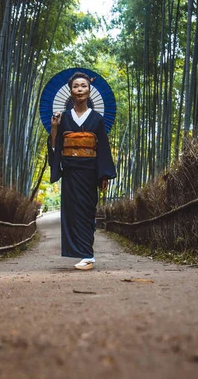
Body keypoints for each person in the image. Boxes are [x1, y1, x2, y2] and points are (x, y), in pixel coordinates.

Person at [48, 71, 116, 270]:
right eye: (76, 86)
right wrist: (54, 129)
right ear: (70, 91)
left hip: (89, 171)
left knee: (87, 212)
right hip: (70, 172)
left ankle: (88, 255)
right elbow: (55, 147)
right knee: (71, 213)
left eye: (83, 86)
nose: (80, 90)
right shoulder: (63, 118)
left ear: (89, 90)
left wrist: (103, 174)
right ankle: (81, 254)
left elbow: (103, 147)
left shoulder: (97, 119)